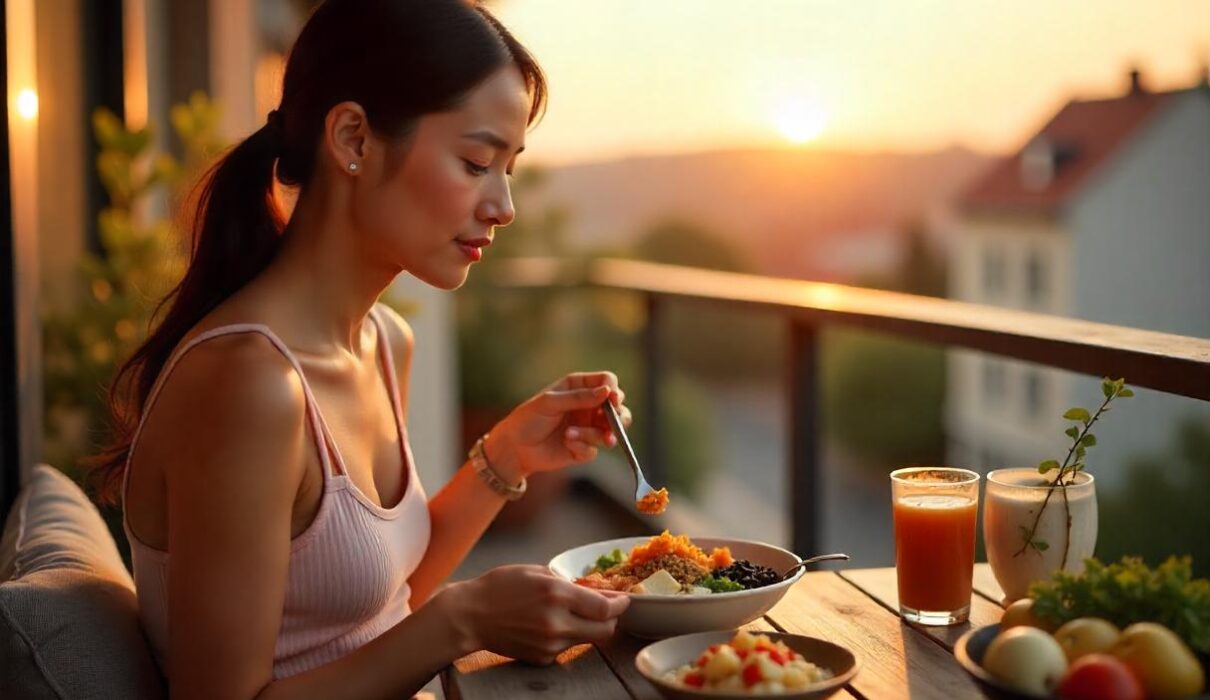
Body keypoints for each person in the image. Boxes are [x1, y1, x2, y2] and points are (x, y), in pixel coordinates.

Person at [89, 1, 632, 697]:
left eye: (509, 169)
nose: (504, 205)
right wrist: (460, 621)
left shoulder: (382, 342)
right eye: (475, 162)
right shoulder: (248, 385)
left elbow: (374, 604)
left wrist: (507, 455)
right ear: (352, 138)